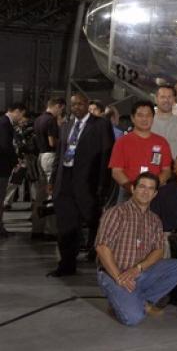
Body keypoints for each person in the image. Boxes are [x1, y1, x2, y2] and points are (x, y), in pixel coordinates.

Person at [95, 172, 177, 326]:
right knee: (133, 318)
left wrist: (138, 268)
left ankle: (140, 300)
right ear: (132, 189)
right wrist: (119, 277)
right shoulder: (116, 213)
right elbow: (102, 247)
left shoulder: (155, 220)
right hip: (114, 274)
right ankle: (124, 299)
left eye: (151, 189)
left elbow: (158, 251)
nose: (146, 191)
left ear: (155, 193)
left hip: (139, 273)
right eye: (142, 187)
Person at [49, 93, 114, 275]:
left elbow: (105, 156)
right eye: (73, 105)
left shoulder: (101, 124)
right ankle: (66, 264)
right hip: (65, 181)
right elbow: (60, 154)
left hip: (88, 184)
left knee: (91, 224)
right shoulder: (66, 125)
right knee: (65, 226)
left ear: (87, 104)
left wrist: (103, 185)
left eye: (80, 104)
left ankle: (101, 262)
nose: (76, 107)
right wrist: (53, 180)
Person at [109, 100, 173, 201]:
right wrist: (133, 189)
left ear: (153, 118)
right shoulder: (122, 142)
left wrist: (151, 188)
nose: (144, 119)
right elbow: (116, 171)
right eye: (140, 115)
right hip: (128, 193)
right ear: (132, 118)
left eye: (148, 115)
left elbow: (167, 171)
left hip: (155, 195)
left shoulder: (162, 142)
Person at [32, 97, 64, 239]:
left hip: (40, 156)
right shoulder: (51, 120)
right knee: (52, 193)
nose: (60, 112)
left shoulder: (39, 119)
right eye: (61, 109)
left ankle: (37, 229)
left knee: (40, 195)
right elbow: (52, 142)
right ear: (57, 106)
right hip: (50, 157)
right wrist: (64, 143)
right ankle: (51, 230)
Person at [0, 103, 26, 238]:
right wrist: (15, 161)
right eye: (22, 114)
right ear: (16, 111)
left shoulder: (4, 122)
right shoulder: (5, 123)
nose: (22, 117)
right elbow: (5, 145)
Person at [151, 85, 177, 159]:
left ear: (174, 99)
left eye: (169, 97)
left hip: (174, 168)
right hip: (150, 168)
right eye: (162, 97)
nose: (166, 100)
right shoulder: (146, 124)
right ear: (156, 99)